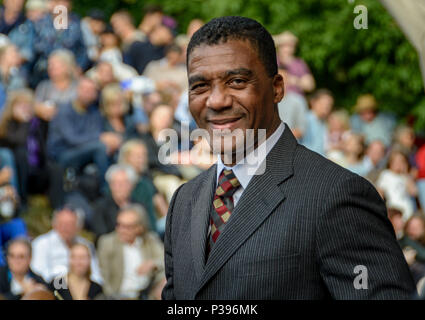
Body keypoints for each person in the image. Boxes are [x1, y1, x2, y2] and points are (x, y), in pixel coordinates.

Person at [162, 16, 415, 300]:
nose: (217, 100)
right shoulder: (184, 202)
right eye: (200, 86)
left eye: (236, 81)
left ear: (277, 88)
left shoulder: (336, 196)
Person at [97, 205, 165, 299]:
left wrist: (153, 263)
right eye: (119, 225)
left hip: (146, 294)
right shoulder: (107, 243)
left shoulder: (150, 240)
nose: (121, 230)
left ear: (140, 228)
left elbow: (165, 260)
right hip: (117, 295)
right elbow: (103, 277)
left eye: (127, 227)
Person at [31, 205, 102, 284]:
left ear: (78, 226)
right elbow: (39, 274)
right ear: (54, 225)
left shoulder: (86, 245)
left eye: (70, 224)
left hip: (82, 288)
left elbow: (96, 275)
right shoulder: (41, 243)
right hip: (54, 288)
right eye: (62, 224)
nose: (65, 228)